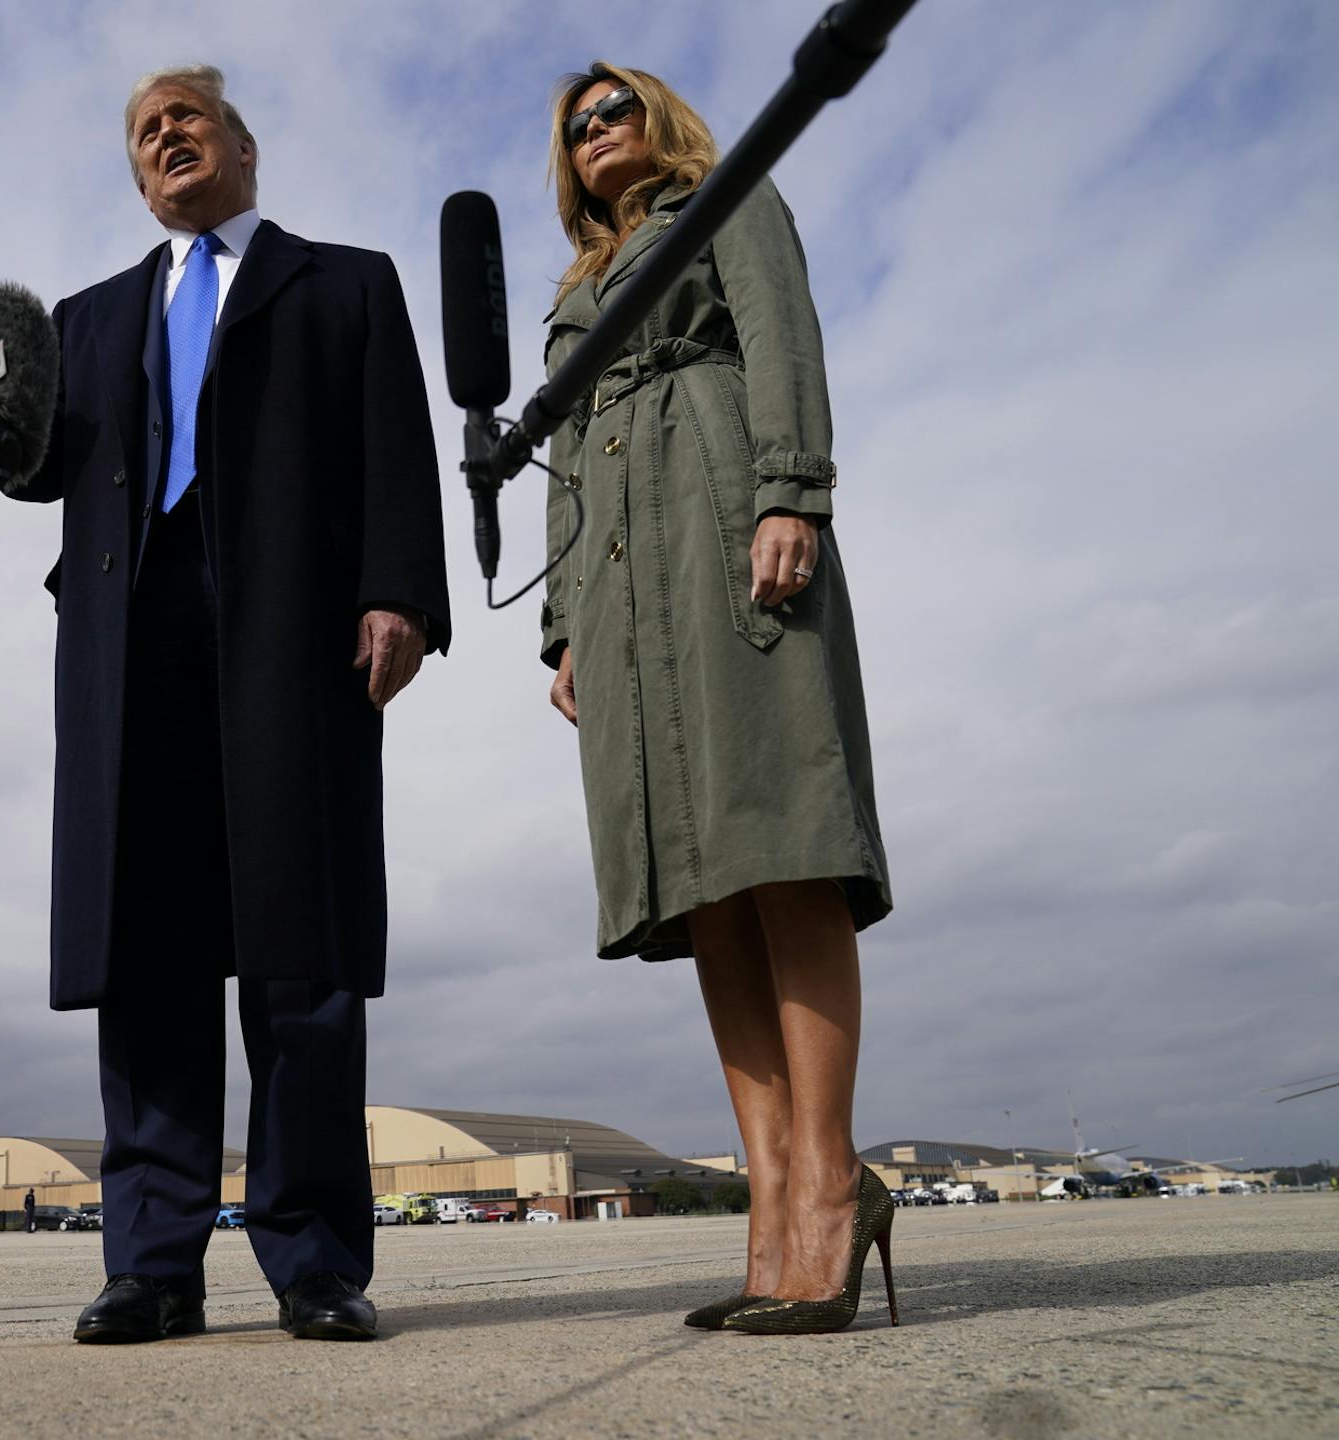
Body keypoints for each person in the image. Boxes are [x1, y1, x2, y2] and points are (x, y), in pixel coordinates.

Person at [0, 64, 448, 1345]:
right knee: (148, 956)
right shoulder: (86, 318)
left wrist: (401, 594)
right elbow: (19, 465)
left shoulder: (346, 281)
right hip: (130, 648)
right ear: (139, 184)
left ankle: (313, 1262)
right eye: (145, 134)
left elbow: (393, 444)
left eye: (186, 116)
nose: (166, 135)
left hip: (293, 640)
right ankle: (152, 1265)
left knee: (300, 959)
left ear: (242, 145)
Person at [538, 66, 895, 1335]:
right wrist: (565, 624)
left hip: (725, 518)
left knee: (779, 841)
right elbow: (565, 459)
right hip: (622, 587)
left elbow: (782, 332)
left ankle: (832, 1184)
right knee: (704, 888)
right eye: (577, 128)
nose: (597, 133)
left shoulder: (727, 195)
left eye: (614, 108)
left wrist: (792, 488)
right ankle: (771, 1199)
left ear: (660, 118)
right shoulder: (573, 292)